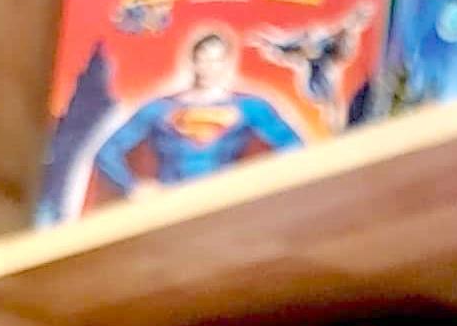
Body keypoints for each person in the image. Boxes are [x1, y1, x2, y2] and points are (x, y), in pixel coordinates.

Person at [90, 24, 303, 197]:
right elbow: (107, 152)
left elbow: (295, 148)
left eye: (217, 60)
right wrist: (133, 187)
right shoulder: (158, 109)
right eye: (204, 59)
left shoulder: (250, 106)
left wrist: (261, 184)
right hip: (170, 204)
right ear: (193, 61)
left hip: (225, 203)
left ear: (227, 63)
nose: (210, 67)